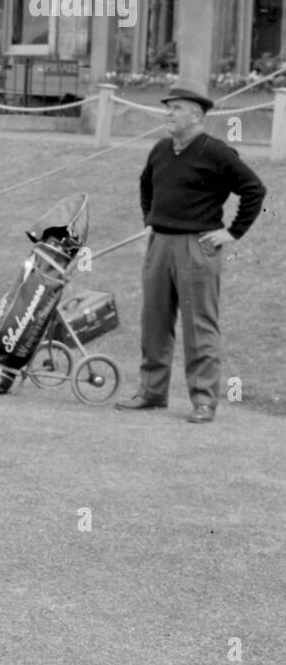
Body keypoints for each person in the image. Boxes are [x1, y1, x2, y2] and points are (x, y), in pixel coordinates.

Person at [115, 82, 266, 423]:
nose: (168, 113)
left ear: (196, 115)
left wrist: (232, 232)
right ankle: (152, 393)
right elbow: (146, 185)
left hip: (197, 247)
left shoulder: (216, 152)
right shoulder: (161, 149)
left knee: (199, 326)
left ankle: (203, 400)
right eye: (167, 108)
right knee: (153, 321)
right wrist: (150, 219)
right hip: (159, 245)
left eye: (176, 108)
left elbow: (254, 189)